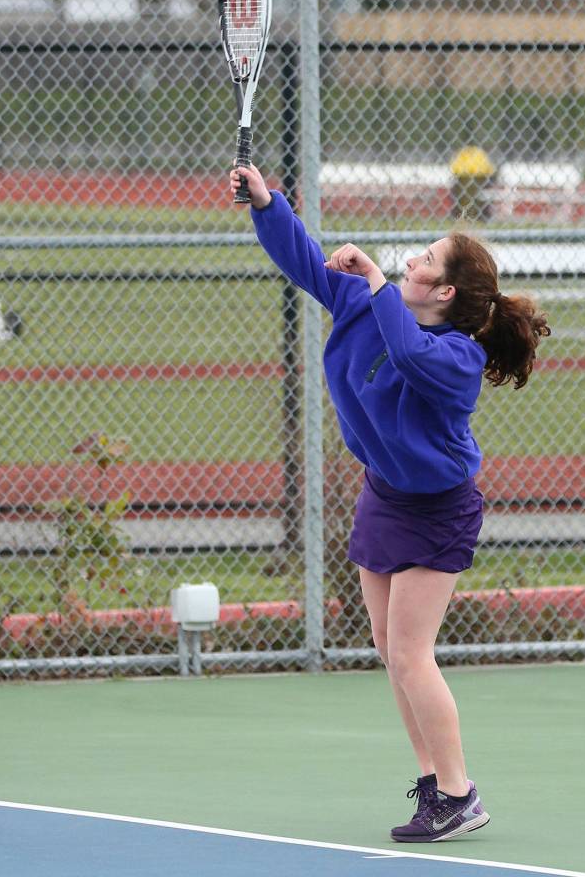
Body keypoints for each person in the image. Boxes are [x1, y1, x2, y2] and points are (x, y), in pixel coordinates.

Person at [230, 163, 550, 843]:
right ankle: (434, 784)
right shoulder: (366, 304)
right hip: (382, 494)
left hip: (439, 508)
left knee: (410, 653)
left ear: (446, 290)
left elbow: (407, 358)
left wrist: (375, 279)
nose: (410, 259)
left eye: (424, 259)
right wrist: (267, 204)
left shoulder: (455, 356)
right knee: (386, 647)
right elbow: (304, 263)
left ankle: (461, 794)